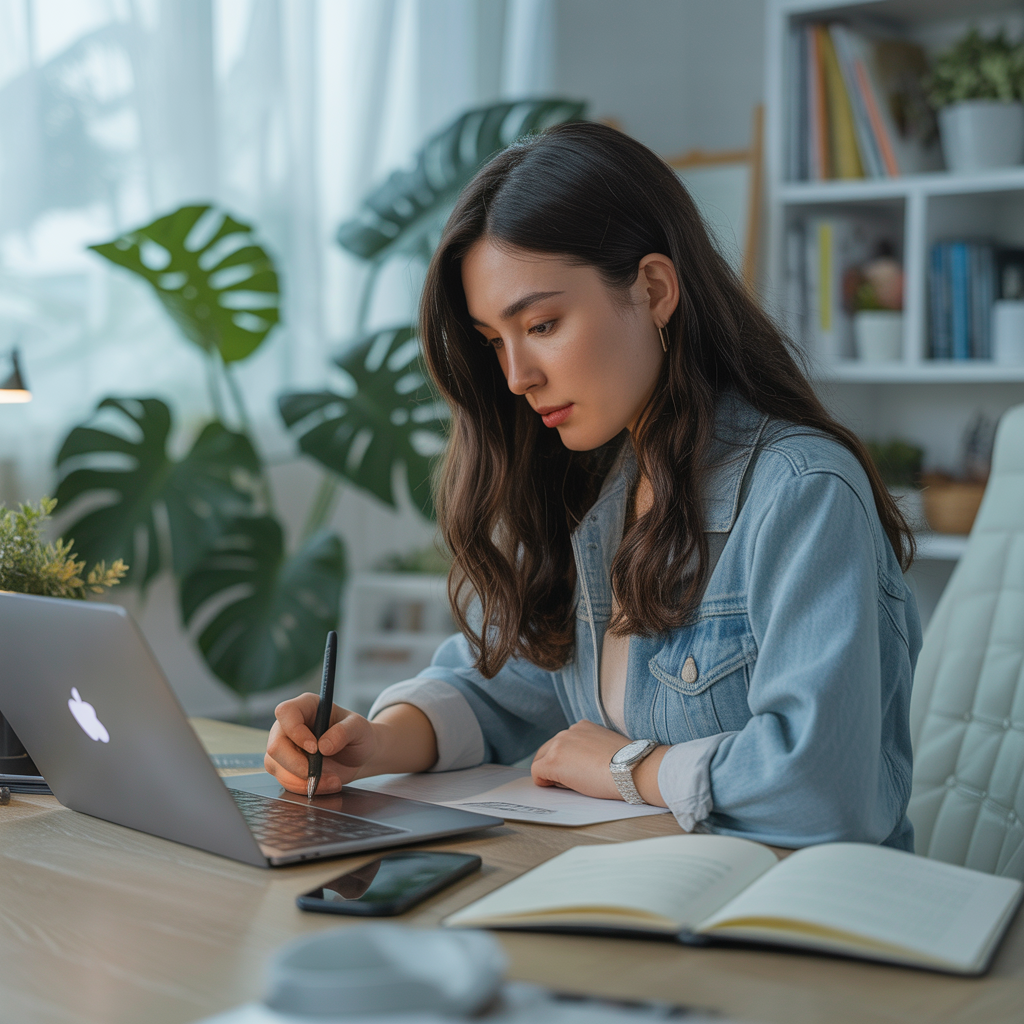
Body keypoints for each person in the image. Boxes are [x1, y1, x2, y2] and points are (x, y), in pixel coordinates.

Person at [266, 122, 921, 850]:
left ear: (654, 288)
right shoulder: (601, 492)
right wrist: (376, 742)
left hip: (800, 932)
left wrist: (626, 768)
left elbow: (825, 790)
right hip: (647, 902)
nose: (517, 377)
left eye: (542, 324)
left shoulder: (801, 492)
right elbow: (508, 683)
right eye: (494, 342)